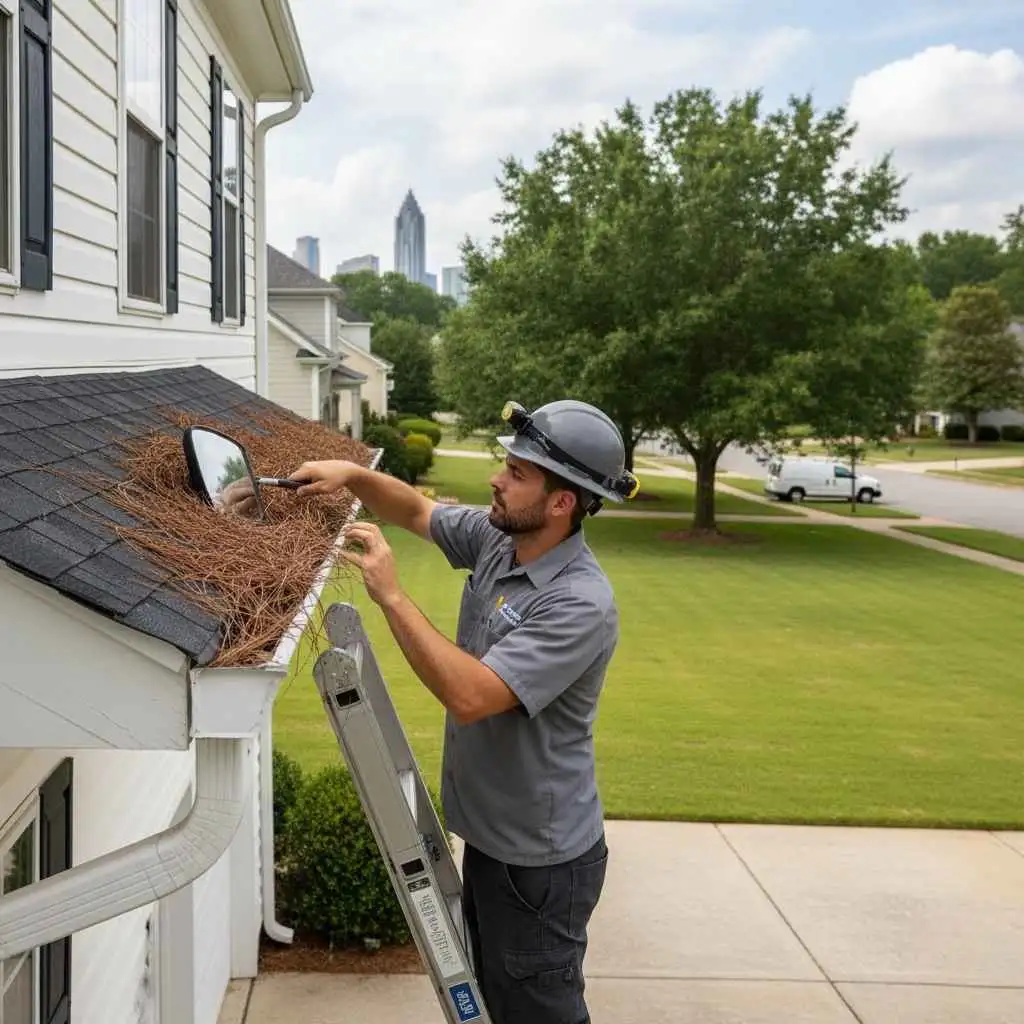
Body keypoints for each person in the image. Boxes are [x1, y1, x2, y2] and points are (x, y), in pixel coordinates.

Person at [289, 399, 639, 1024]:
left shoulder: (579, 602)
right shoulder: (501, 541)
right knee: (492, 1002)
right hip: (491, 840)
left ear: (562, 503)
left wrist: (392, 596)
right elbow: (418, 511)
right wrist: (354, 476)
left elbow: (472, 694)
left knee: (535, 1011)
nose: (496, 480)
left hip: (539, 865)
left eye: (518, 473)